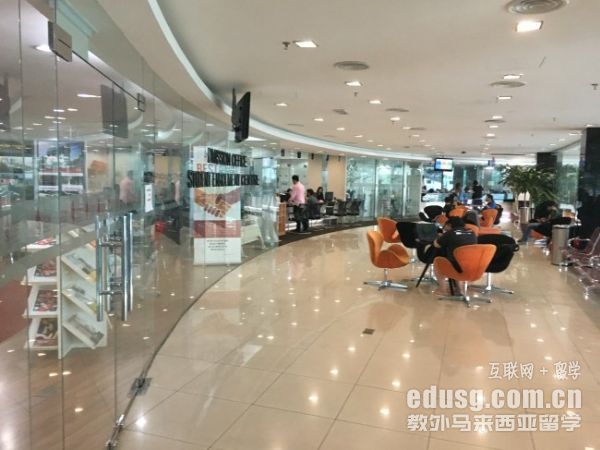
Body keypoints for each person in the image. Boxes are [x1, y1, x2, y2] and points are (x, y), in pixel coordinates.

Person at [432, 216, 477, 295]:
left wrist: (438, 237)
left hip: (456, 264)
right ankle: (460, 289)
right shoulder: (471, 232)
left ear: (449, 225)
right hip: (473, 264)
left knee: (438, 261)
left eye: (445, 226)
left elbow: (437, 245)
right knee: (457, 260)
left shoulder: (450, 233)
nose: (444, 227)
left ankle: (442, 290)